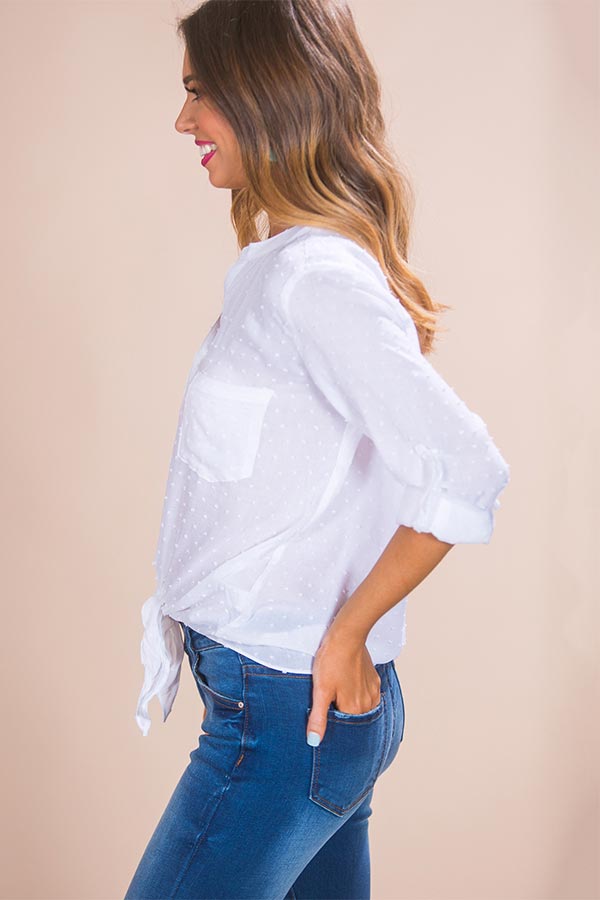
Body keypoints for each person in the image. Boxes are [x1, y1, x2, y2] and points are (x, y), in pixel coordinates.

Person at [124, 1, 510, 897]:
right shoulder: (286, 267)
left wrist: (350, 628)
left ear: (265, 96)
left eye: (201, 94)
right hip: (285, 713)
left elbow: (465, 467)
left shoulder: (313, 279)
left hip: (280, 719)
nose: (183, 121)